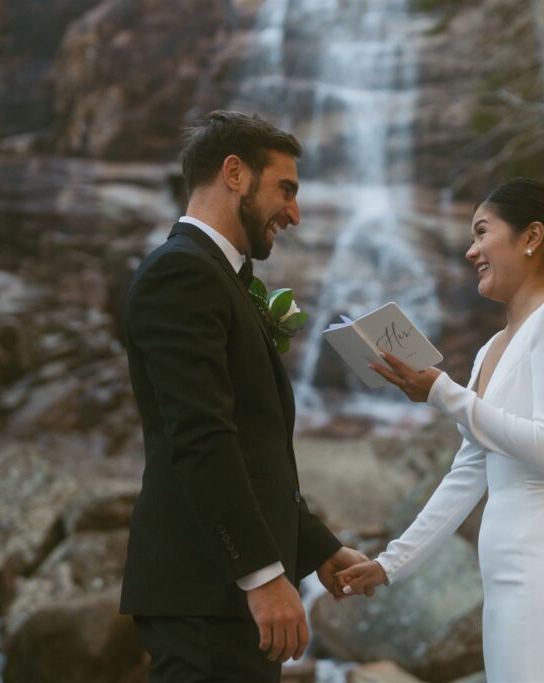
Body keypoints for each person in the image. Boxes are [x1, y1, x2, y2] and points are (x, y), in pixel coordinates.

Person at [337, 178, 544, 682]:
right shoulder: (489, 350)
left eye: (482, 232)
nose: (471, 251)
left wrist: (442, 392)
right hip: (508, 585)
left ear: (531, 237)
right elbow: (468, 475)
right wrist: (391, 563)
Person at [120, 110, 370, 683]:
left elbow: (254, 452)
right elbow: (203, 439)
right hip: (208, 590)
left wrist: (318, 550)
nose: (296, 213)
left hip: (221, 592)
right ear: (235, 173)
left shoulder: (219, 277)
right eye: (286, 188)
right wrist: (262, 576)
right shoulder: (180, 274)